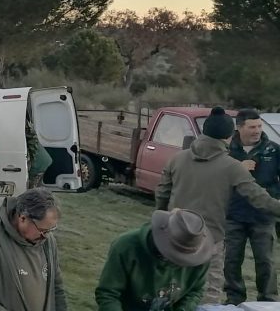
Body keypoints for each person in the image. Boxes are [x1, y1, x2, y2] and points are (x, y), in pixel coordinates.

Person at [155, 107, 280, 304]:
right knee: (208, 293)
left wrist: (161, 219)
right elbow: (260, 199)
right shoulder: (231, 166)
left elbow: (162, 193)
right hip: (210, 238)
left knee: (170, 286)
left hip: (175, 233)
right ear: (231, 134)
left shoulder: (177, 159)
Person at [0, 188, 68, 310]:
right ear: (23, 218)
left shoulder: (48, 241)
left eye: (50, 230)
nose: (46, 236)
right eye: (42, 230)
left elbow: (56, 285)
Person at [95, 209, 212, 310]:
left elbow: (195, 290)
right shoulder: (126, 247)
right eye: (175, 256)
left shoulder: (199, 257)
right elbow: (108, 293)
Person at [224, 109, 280, 303]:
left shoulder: (273, 150)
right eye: (252, 127)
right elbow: (217, 176)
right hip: (234, 213)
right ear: (239, 128)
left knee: (265, 261)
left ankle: (268, 300)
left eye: (259, 126)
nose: (257, 131)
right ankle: (234, 299)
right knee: (231, 260)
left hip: (263, 216)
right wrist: (239, 167)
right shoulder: (227, 150)